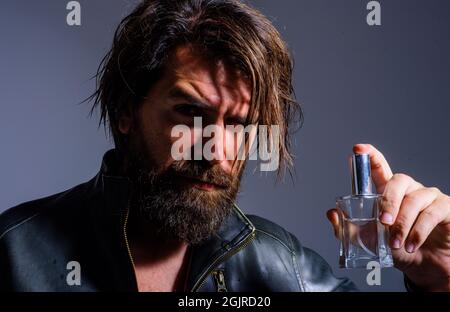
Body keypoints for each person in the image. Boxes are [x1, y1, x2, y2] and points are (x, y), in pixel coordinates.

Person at [1, 0, 449, 292]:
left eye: (237, 124)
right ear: (126, 111)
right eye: (189, 115)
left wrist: (438, 278)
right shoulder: (13, 256)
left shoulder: (282, 265)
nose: (216, 153)